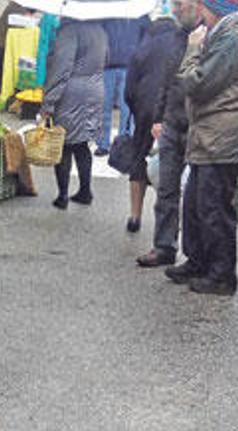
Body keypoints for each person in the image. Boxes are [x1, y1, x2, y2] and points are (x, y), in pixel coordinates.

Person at [165, 0, 238, 296]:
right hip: (212, 134)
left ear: (211, 8)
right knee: (195, 202)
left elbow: (197, 83)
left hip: (223, 136)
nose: (198, 14)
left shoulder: (231, 39)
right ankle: (198, 262)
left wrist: (193, 50)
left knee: (214, 207)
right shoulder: (225, 34)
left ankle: (221, 275)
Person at [126, 2, 192, 257]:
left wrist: (140, 112)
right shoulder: (181, 39)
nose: (176, 10)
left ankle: (135, 215)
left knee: (141, 162)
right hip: (172, 114)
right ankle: (170, 241)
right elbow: (171, 80)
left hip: (150, 110)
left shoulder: (145, 46)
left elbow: (130, 88)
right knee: (171, 179)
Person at [41, 17, 107, 210]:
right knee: (82, 142)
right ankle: (85, 190)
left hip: (72, 92)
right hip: (95, 88)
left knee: (63, 143)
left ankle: (62, 195)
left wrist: (48, 103)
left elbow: (61, 69)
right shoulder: (100, 30)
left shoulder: (69, 32)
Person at [95, 16, 148, 158]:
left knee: (127, 107)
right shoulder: (109, 10)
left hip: (130, 66)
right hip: (107, 65)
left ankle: (125, 143)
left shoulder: (139, 12)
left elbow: (146, 35)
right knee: (104, 106)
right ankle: (103, 143)